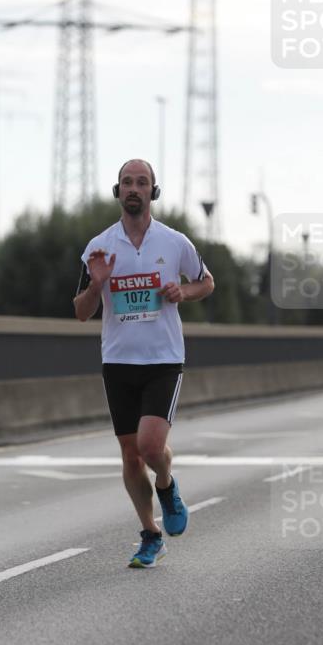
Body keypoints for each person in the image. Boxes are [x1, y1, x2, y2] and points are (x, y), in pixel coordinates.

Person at [74, 158, 215, 567]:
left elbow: (206, 281)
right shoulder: (99, 247)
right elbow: (81, 312)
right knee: (130, 455)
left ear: (153, 191)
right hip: (118, 360)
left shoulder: (174, 243)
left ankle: (167, 486)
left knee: (150, 445)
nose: (133, 188)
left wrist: (182, 293)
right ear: (117, 191)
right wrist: (97, 283)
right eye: (126, 182)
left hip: (163, 358)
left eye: (142, 182)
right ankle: (150, 533)